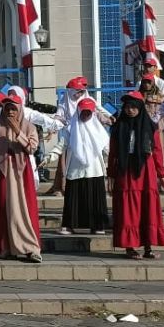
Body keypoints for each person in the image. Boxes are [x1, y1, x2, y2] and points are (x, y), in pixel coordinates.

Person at [109, 92, 164, 259]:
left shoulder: (150, 127)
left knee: (147, 208)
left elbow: (157, 151)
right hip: (125, 172)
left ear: (140, 108)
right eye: (127, 107)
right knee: (128, 209)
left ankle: (148, 247)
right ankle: (130, 247)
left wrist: (161, 174)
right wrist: (111, 174)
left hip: (146, 173)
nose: (130, 110)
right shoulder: (118, 127)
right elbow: (113, 153)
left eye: (134, 107)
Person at [0, 95, 42, 263]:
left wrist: (18, 132)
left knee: (25, 208)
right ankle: (7, 246)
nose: (10, 112)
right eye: (7, 109)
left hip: (21, 173)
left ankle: (31, 248)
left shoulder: (29, 127)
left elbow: (32, 148)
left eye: (13, 109)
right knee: (4, 207)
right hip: (3, 173)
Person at [47, 97, 110, 235]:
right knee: (73, 198)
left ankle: (97, 226)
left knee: (95, 198)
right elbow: (61, 145)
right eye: (83, 112)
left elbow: (107, 147)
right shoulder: (71, 128)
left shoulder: (98, 129)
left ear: (93, 113)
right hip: (75, 169)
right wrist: (49, 157)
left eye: (89, 112)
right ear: (78, 111)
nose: (86, 115)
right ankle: (69, 225)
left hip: (94, 169)